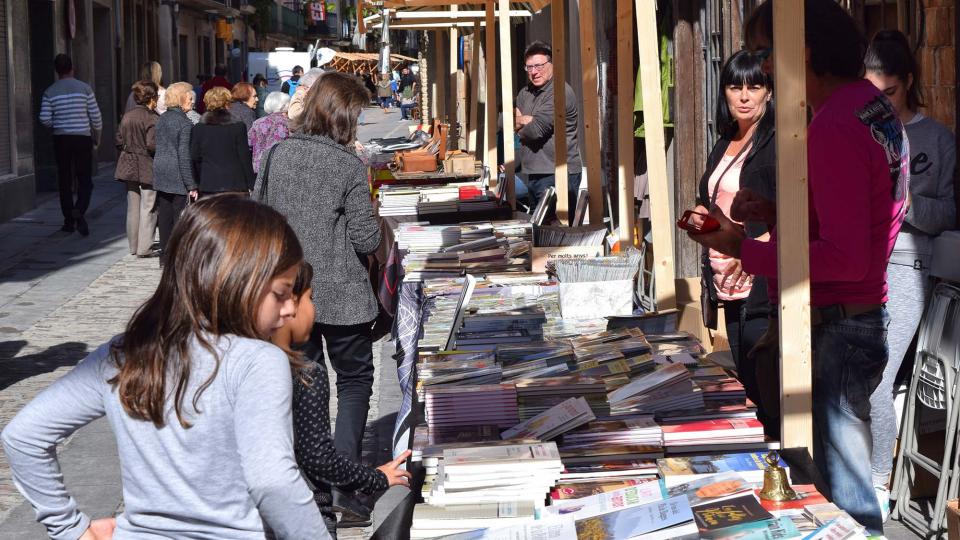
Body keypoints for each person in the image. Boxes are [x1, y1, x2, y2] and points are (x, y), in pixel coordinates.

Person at [689, 1, 909, 534]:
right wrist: (779, 213)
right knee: (839, 485)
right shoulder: (871, 107)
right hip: (861, 311)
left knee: (847, 497)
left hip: (839, 320)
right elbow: (863, 213)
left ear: (802, 51)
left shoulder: (834, 122)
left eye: (765, 54)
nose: (760, 69)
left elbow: (845, 253)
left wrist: (743, 247)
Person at [1, 195, 331, 539]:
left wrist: (71, 530)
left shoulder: (125, 352)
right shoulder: (257, 362)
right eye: (281, 293)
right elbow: (273, 482)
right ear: (236, 280)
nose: (291, 309)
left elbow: (23, 436)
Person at [255, 72, 382, 526]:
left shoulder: (276, 155)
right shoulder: (348, 165)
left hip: (288, 294)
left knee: (304, 387)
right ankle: (346, 483)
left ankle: (311, 487)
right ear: (344, 117)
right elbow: (366, 238)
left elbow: (258, 215)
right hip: (342, 293)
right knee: (353, 380)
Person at [863, 29, 957, 521]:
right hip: (857, 263)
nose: (880, 106)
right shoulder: (857, 131)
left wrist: (905, 201)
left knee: (877, 374)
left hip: (909, 266)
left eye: (890, 94)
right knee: (853, 373)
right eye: (870, 95)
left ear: (909, 82)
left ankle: (879, 481)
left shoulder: (937, 138)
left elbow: (947, 214)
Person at [273, 262, 412, 536]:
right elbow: (319, 458)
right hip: (307, 518)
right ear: (289, 307)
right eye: (310, 299)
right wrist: (376, 477)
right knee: (355, 379)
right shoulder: (305, 376)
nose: (313, 310)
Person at [693, 50, 775, 433]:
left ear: (769, 92)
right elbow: (712, 197)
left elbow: (793, 209)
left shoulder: (775, 143)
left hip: (759, 281)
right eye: (734, 86)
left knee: (767, 388)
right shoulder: (725, 139)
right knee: (746, 381)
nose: (744, 96)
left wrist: (758, 249)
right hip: (724, 279)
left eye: (754, 86)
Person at [514, 41, 583, 220]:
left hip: (558, 172)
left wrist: (522, 124)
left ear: (551, 64)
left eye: (539, 65)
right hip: (533, 172)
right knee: (538, 231)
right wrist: (523, 121)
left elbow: (535, 131)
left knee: (554, 232)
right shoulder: (524, 93)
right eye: (529, 67)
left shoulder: (559, 92)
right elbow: (504, 122)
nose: (534, 72)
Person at [38, 54, 103, 236]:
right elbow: (96, 117)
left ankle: (68, 221)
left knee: (65, 180)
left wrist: (56, 123)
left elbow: (44, 118)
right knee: (85, 179)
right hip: (82, 138)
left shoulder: (50, 91)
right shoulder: (85, 89)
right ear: (72, 68)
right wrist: (97, 137)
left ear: (56, 71)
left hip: (61, 139)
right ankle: (79, 210)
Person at [153, 82, 199, 268]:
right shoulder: (184, 123)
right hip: (177, 173)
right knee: (178, 216)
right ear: (181, 99)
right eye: (189, 98)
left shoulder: (162, 118)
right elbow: (184, 155)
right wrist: (191, 184)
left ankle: (165, 255)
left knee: (164, 215)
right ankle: (176, 254)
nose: (192, 102)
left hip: (161, 169)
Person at [116, 80, 160, 258]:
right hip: (146, 163)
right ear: (152, 98)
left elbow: (118, 140)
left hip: (127, 163)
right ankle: (145, 247)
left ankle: (133, 247)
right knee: (148, 206)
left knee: (132, 206)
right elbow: (152, 144)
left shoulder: (127, 115)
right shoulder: (151, 117)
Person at [190, 86, 254, 196]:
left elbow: (194, 157)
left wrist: (198, 180)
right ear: (227, 103)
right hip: (235, 183)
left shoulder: (199, 128)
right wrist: (251, 184)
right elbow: (244, 157)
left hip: (208, 183)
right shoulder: (238, 127)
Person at [248, 91, 292, 173]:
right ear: (285, 105)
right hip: (281, 169)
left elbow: (249, 143)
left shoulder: (258, 122)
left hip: (260, 167)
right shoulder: (289, 124)